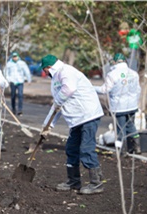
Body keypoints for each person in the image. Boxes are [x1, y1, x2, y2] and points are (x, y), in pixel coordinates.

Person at [40, 54, 104, 195]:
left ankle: (96, 183)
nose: (44, 73)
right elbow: (57, 105)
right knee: (71, 148)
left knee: (86, 149)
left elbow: (68, 89)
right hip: (76, 119)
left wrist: (58, 102)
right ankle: (73, 181)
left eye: (44, 70)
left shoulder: (66, 71)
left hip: (88, 115)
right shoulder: (55, 79)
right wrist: (47, 126)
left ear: (48, 68)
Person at [94, 53, 141, 155]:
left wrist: (92, 88)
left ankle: (121, 150)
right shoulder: (134, 73)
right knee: (130, 125)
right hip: (132, 106)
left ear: (114, 62)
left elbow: (104, 90)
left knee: (120, 129)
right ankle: (137, 147)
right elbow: (138, 90)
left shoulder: (112, 74)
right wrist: (136, 102)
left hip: (119, 107)